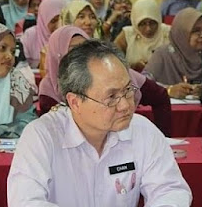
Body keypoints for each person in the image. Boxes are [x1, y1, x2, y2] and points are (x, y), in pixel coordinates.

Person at [8, 39, 191, 207]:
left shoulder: (143, 131)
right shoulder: (41, 136)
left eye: (128, 90)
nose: (125, 105)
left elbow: (171, 188)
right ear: (75, 102)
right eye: (111, 97)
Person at [39, 26, 172, 135]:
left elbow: (160, 96)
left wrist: (164, 137)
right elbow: (53, 130)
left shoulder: (118, 74)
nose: (81, 57)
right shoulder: (49, 87)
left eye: (85, 48)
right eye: (73, 50)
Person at [0, 22, 36, 146]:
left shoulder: (17, 82)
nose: (9, 56)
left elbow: (28, 124)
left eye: (13, 51)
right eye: (2, 48)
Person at [144, 8, 202, 99]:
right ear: (181, 33)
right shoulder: (164, 54)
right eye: (196, 31)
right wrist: (169, 90)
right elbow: (142, 84)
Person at [114, 0, 170, 72]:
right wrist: (133, 67)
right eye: (142, 24)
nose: (148, 29)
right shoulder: (127, 35)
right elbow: (114, 62)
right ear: (135, 22)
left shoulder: (168, 32)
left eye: (152, 23)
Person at [21, 0, 65, 68]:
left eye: (61, 19)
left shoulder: (70, 37)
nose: (58, 25)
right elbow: (22, 64)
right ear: (43, 21)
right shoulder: (30, 35)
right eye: (53, 21)